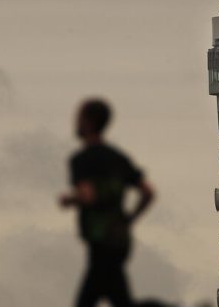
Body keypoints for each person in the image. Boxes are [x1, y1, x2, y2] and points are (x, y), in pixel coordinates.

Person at [60, 98, 155, 307]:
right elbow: (148, 193)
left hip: (101, 241)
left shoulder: (82, 160)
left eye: (79, 117)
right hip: (120, 241)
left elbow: (88, 196)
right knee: (120, 299)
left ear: (89, 121)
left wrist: (69, 199)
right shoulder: (118, 158)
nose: (76, 122)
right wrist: (129, 219)